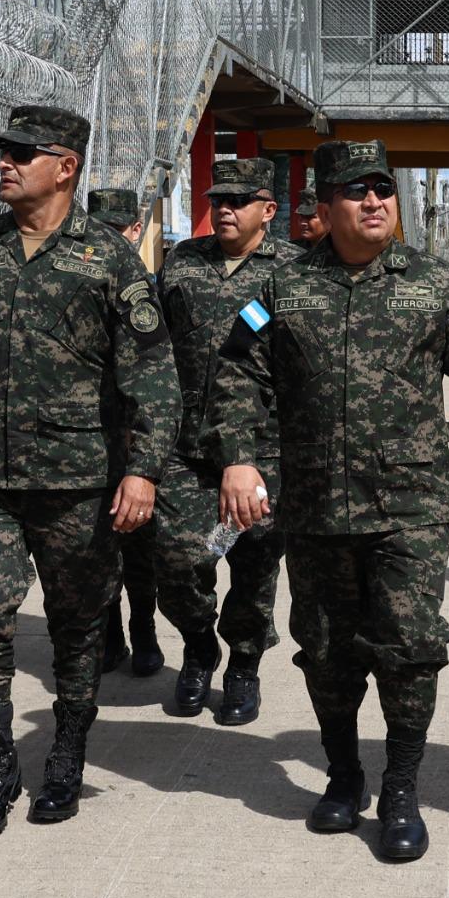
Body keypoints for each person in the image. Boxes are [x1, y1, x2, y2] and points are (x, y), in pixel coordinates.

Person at [213, 138, 449, 863]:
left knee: (408, 650)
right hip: (314, 508)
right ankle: (344, 776)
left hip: (410, 506)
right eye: (356, 190)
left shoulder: (436, 285)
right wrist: (241, 457)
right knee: (325, 650)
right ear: (324, 207)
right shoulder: (283, 291)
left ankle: (402, 787)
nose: (375, 200)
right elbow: (235, 372)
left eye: (383, 188)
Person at [0, 105, 177, 841]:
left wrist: (142, 472)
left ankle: (67, 754)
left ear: (66, 166)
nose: (6, 163)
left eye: (23, 152)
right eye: (3, 152)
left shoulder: (108, 261)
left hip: (81, 478)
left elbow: (151, 375)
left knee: (78, 628)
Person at [150, 154, 298, 724]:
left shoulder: (294, 269)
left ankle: (242, 663)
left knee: (256, 561)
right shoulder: (184, 262)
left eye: (239, 201)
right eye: (219, 201)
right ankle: (197, 645)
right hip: (188, 445)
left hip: (266, 448)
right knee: (181, 557)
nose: (226, 210)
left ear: (268, 209)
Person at [87, 184, 166, 679]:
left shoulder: (153, 291)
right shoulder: (74, 282)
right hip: (91, 438)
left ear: (136, 231)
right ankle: (111, 634)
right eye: (100, 232)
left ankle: (144, 630)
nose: (110, 241)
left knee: (140, 547)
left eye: (118, 231)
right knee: (97, 545)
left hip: (139, 439)